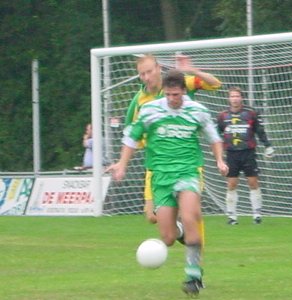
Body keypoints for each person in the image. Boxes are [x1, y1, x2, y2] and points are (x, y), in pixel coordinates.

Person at [107, 70, 228, 296]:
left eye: (176, 94)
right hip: (161, 177)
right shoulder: (150, 110)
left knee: (191, 216)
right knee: (168, 238)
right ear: (164, 91)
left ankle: (194, 276)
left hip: (187, 172)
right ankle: (181, 231)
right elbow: (132, 137)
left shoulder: (196, 111)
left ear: (184, 91)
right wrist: (122, 164)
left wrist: (220, 160)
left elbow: (214, 138)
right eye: (169, 94)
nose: (173, 98)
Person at [124, 54, 221, 224]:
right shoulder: (138, 101)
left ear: (158, 69)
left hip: (185, 160)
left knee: (187, 212)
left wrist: (191, 70)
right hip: (158, 164)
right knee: (152, 217)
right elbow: (131, 133)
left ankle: (193, 243)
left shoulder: (180, 84)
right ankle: (181, 233)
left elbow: (215, 83)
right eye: (142, 74)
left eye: (149, 72)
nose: (146, 77)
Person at [217, 86, 274, 225]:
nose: (235, 99)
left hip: (248, 153)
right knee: (231, 184)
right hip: (231, 154)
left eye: (237, 96)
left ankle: (257, 215)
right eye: (232, 96)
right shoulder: (223, 116)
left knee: (253, 182)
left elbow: (260, 131)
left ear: (242, 98)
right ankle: (232, 217)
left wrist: (268, 146)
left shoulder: (251, 114)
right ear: (228, 99)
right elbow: (215, 134)